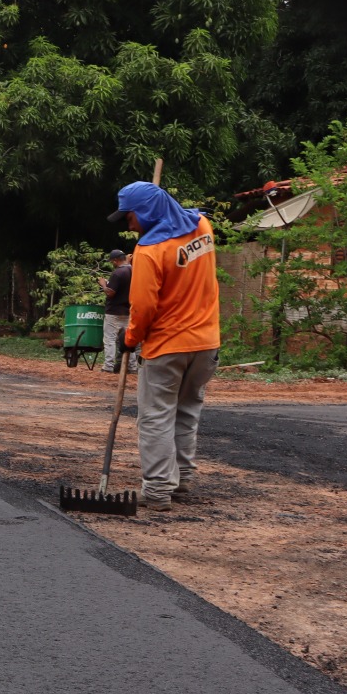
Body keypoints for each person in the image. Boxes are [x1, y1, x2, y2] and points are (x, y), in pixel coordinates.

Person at [107, 182, 220, 511]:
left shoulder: (150, 251)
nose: (128, 224)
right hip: (206, 344)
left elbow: (142, 308)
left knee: (155, 416)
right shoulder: (202, 225)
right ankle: (182, 477)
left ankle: (157, 490)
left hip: (168, 346)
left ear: (144, 212)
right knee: (186, 410)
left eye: (130, 217)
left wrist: (129, 339)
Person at [99, 249, 138, 374]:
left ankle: (108, 366)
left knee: (110, 339)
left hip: (114, 311)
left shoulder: (118, 273)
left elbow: (111, 293)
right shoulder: (133, 270)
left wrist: (104, 284)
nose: (112, 263)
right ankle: (132, 367)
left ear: (115, 261)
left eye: (112, 261)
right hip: (128, 310)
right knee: (128, 339)